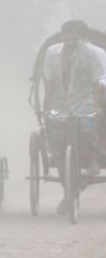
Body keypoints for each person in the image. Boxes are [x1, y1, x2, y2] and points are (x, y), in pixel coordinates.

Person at [42, 20, 106, 210]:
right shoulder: (52, 53)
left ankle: (92, 159)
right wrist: (47, 105)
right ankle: (68, 192)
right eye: (67, 39)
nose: (70, 43)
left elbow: (96, 81)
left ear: (81, 39)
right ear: (62, 38)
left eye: (74, 40)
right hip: (60, 103)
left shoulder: (92, 54)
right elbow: (48, 81)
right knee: (58, 147)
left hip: (84, 101)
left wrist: (96, 107)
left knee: (87, 129)